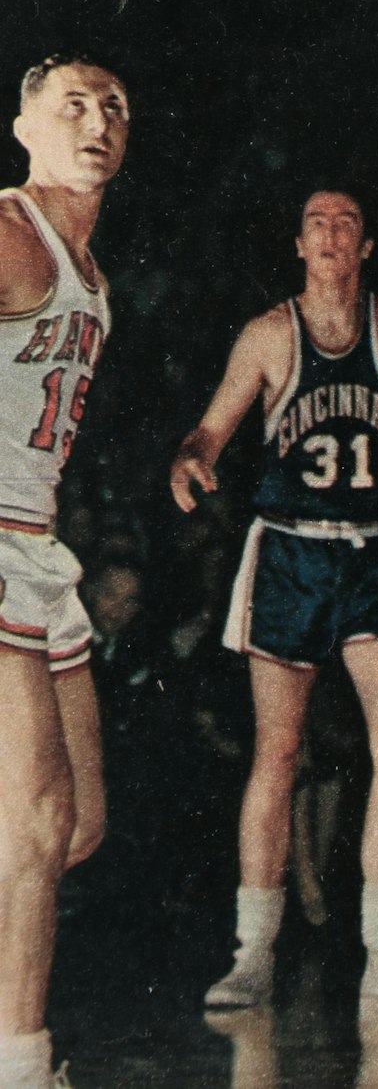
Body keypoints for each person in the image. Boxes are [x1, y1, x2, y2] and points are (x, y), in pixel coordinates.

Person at [170, 191, 378, 1015]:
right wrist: (189, 461)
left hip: (375, 552)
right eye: (318, 224)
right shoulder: (268, 334)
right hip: (291, 549)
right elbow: (210, 430)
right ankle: (253, 951)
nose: (332, 235)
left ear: (366, 244)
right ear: (299, 243)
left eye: (348, 224)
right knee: (279, 750)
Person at [0, 54, 129, 1089]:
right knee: (36, 825)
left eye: (113, 107)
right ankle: (22, 1064)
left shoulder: (93, 278)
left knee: (75, 827)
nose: (97, 120)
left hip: (38, 549)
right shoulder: (7, 233)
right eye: (72, 105)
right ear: (25, 130)